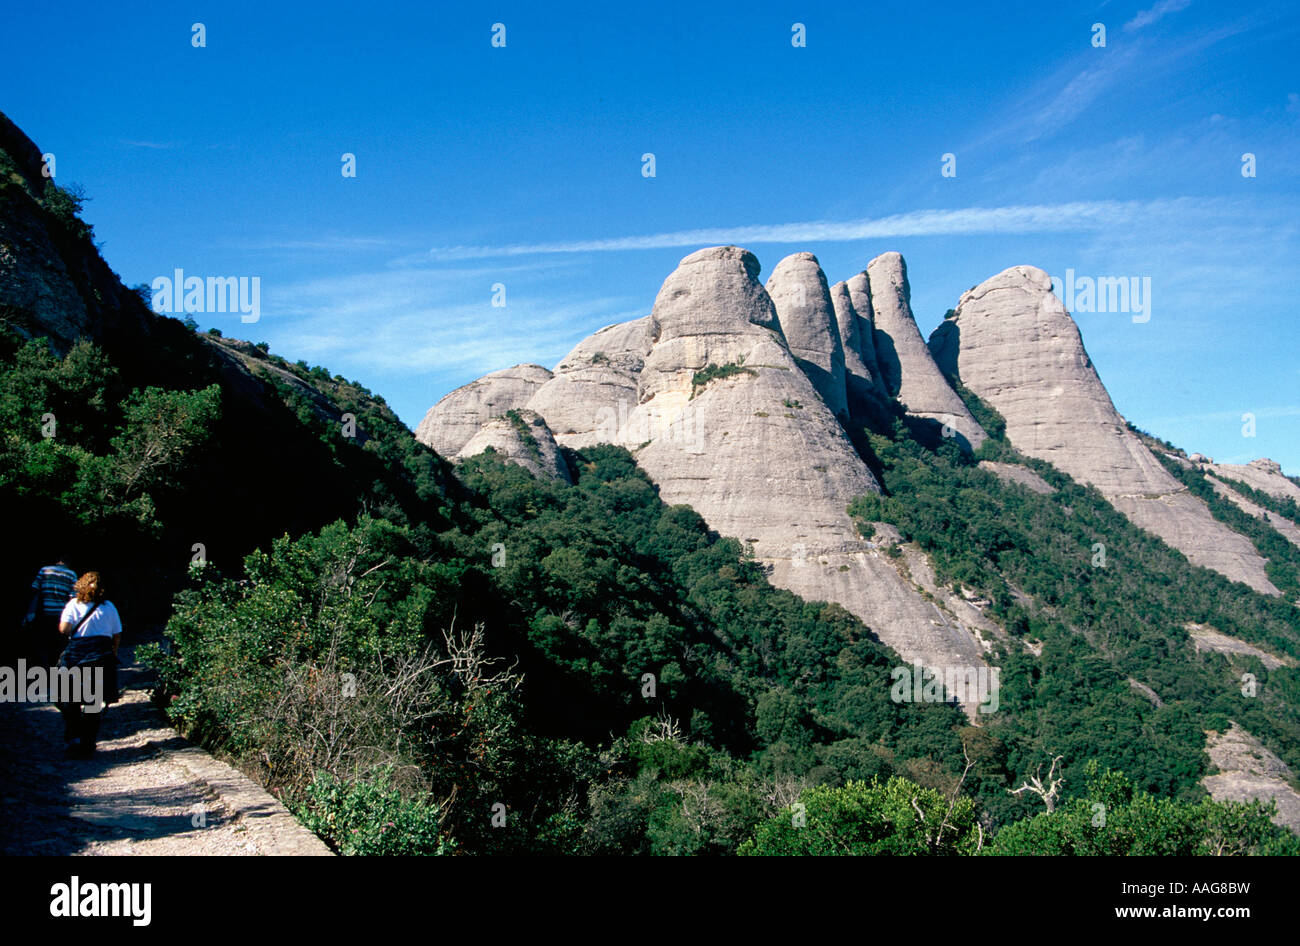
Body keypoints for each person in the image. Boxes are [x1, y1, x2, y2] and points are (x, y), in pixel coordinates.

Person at [56, 572, 121, 759]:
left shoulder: (73, 605)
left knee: (71, 699)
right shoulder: (109, 607)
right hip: (101, 657)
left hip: (77, 656)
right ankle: (88, 741)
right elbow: (117, 633)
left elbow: (64, 629)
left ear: (80, 586)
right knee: (94, 701)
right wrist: (114, 652)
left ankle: (74, 738)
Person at [23, 557, 77, 667]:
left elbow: (35, 593)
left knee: (44, 644)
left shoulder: (44, 571)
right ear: (68, 562)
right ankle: (57, 670)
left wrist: (30, 612)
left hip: (44, 614)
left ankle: (45, 669)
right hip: (62, 617)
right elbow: (73, 599)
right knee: (59, 646)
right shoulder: (71, 574)